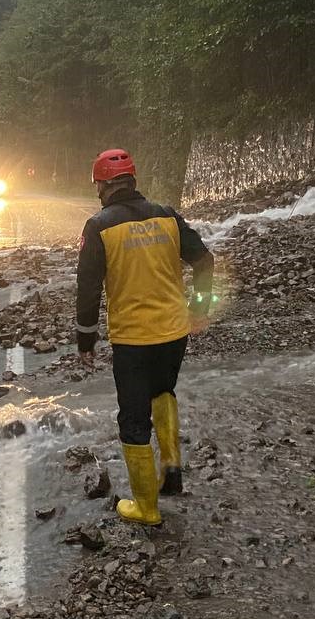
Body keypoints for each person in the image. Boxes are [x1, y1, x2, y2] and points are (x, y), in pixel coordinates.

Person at [76, 148, 214, 525]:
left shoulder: (99, 227)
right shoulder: (167, 216)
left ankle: (147, 508)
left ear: (103, 185)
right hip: (174, 332)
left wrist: (85, 341)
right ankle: (171, 473)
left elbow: (88, 291)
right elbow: (204, 260)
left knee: (133, 418)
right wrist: (200, 308)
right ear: (133, 181)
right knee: (164, 393)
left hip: (134, 339)